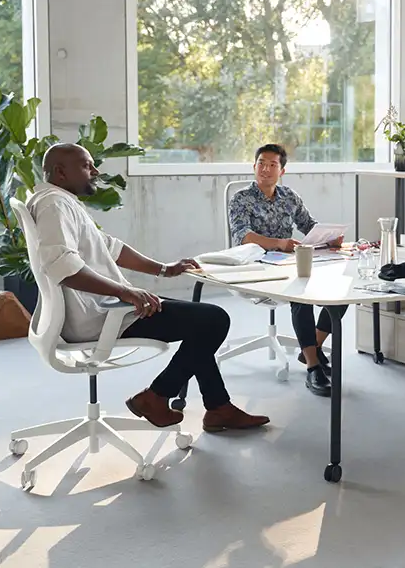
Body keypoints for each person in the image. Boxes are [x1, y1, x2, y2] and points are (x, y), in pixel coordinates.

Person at [28, 143, 269, 432]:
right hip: (99, 316)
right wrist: (124, 292)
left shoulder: (59, 200)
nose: (95, 171)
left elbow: (110, 248)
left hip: (102, 308)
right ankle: (157, 396)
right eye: (86, 166)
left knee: (200, 321)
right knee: (214, 319)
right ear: (60, 171)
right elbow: (63, 268)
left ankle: (218, 408)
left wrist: (164, 269)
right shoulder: (54, 205)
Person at [228, 143, 344, 398]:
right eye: (261, 163)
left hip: (289, 262)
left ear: (282, 171)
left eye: (272, 165)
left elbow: (309, 226)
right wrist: (280, 243)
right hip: (255, 266)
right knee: (300, 296)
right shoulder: (241, 199)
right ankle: (314, 367)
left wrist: (329, 238)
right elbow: (243, 237)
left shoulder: (289, 196)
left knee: (343, 288)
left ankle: (311, 347)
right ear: (254, 166)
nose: (266, 169)